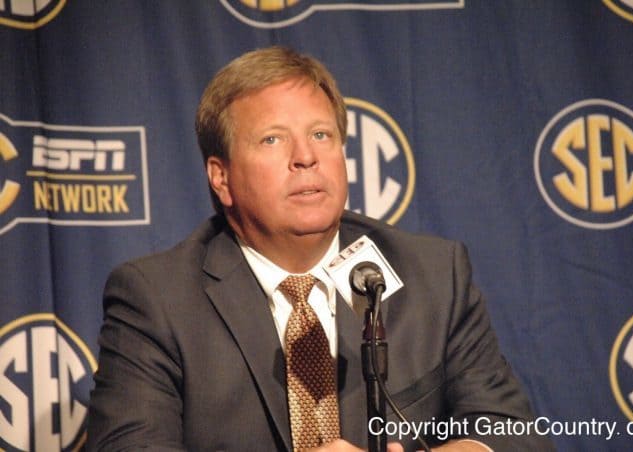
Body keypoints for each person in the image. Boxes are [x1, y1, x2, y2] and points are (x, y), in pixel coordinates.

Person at [86, 46, 554, 451]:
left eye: (321, 135)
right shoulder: (157, 299)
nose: (305, 157)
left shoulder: (433, 275)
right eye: (272, 139)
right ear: (221, 177)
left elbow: (512, 434)